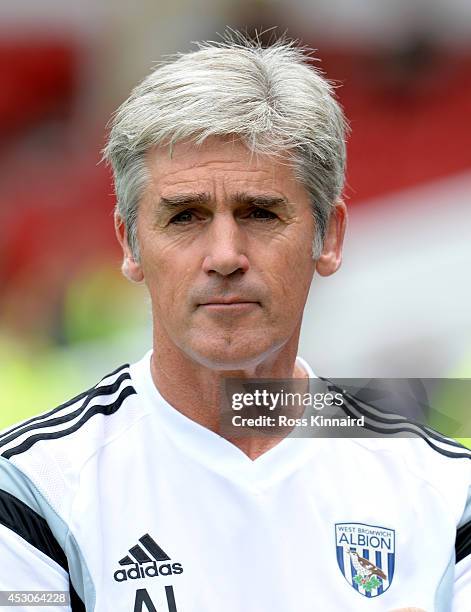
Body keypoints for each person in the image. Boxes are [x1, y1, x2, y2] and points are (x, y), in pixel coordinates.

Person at [0, 32, 469, 612]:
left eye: (261, 212)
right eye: (186, 216)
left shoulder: (448, 496)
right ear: (130, 244)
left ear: (330, 237)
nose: (224, 255)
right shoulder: (31, 493)